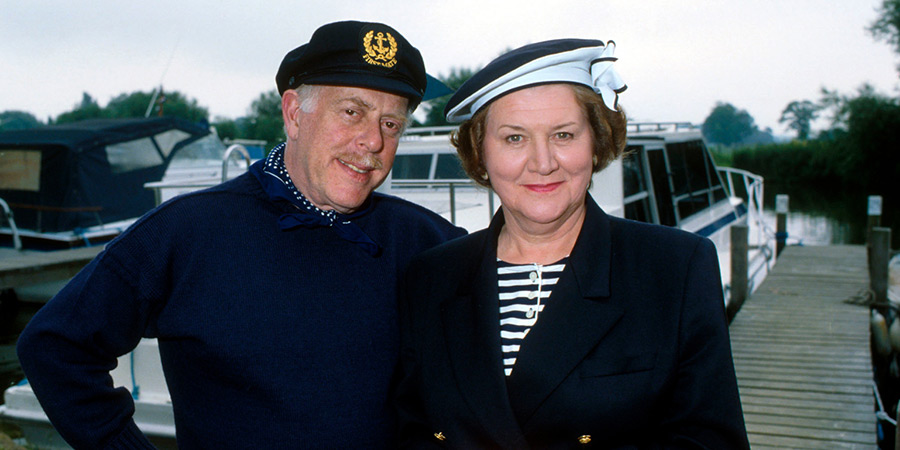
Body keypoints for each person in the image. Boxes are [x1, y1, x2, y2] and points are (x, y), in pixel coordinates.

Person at [16, 21, 465, 449]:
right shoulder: (186, 232)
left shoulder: (429, 240)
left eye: (391, 124)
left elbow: (475, 381)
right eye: (352, 112)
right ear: (293, 114)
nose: (373, 141)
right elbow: (54, 347)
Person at [394, 39, 750, 448]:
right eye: (514, 139)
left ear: (596, 143)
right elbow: (412, 433)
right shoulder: (431, 277)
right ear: (480, 153)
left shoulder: (675, 269)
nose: (542, 162)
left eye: (563, 135)